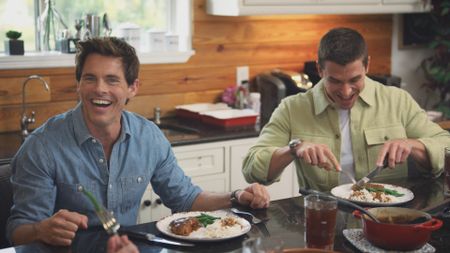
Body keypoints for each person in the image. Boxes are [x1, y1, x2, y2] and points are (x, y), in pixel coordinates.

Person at [6, 37, 270, 247]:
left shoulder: (149, 138)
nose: (100, 89)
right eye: (90, 78)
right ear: (78, 84)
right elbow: (18, 232)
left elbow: (186, 199)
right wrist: (41, 229)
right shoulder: (42, 146)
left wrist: (236, 197)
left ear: (132, 88)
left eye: (112, 80)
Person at [242, 27, 450, 192]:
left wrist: (412, 145)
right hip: (323, 218)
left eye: (355, 79)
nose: (346, 91)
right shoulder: (293, 108)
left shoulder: (397, 100)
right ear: (319, 69)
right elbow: (252, 169)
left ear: (367, 66)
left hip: (388, 219)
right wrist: (293, 149)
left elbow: (445, 145)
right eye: (334, 80)